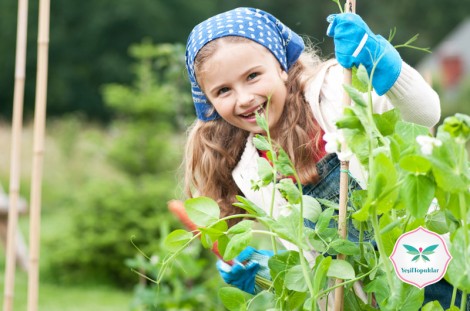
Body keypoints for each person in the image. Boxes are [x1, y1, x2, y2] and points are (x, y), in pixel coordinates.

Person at [183, 6, 450, 309]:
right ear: (209, 102)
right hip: (371, 299)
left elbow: (425, 115)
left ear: (282, 66)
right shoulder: (249, 169)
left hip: (427, 263)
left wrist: (381, 61)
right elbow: (317, 262)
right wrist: (273, 270)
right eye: (223, 91)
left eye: (253, 76)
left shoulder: (335, 89)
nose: (244, 98)